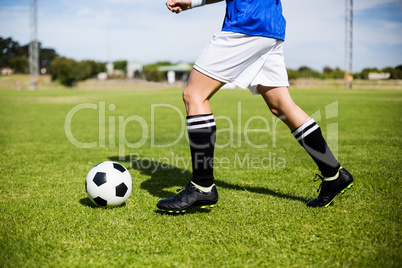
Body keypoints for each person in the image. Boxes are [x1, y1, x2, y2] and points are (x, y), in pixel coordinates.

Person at [157, 0, 354, 213]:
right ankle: (333, 174)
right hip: (270, 25)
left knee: (194, 95)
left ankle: (202, 186)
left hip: (247, 22)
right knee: (281, 105)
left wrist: (193, 1)